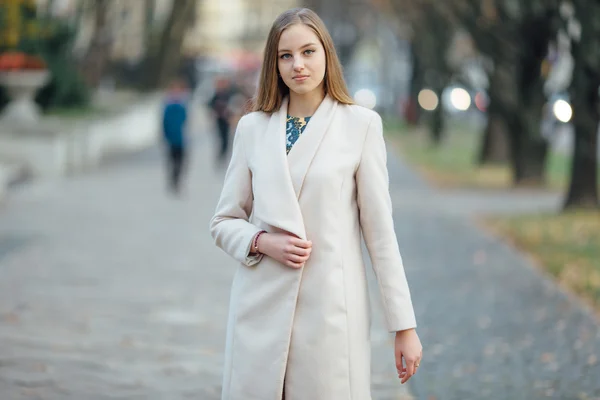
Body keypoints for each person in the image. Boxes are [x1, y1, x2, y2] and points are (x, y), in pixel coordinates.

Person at [210, 8, 422, 400]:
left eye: (308, 51)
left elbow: (380, 235)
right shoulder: (253, 128)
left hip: (330, 312)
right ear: (274, 64)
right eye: (285, 55)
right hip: (259, 307)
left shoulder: (361, 126)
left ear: (327, 53)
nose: (298, 65)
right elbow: (223, 221)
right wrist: (261, 242)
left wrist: (403, 326)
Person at [161, 77, 189, 194]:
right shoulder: (168, 106)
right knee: (173, 161)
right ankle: (173, 181)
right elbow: (164, 122)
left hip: (182, 138)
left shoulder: (183, 105)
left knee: (181, 161)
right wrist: (165, 136)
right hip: (172, 138)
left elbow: (185, 121)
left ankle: (177, 180)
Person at [208, 76, 234, 166]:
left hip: (226, 119)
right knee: (221, 137)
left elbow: (232, 105)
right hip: (219, 119)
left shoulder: (228, 94)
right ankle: (220, 155)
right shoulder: (216, 95)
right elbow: (210, 105)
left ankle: (223, 154)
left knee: (226, 139)